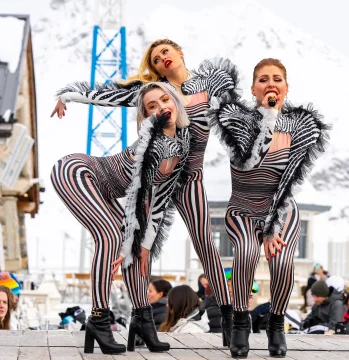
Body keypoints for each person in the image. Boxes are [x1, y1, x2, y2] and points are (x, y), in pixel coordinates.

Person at [53, 39, 235, 346]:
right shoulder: (155, 94)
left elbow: (236, 113)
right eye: (155, 58)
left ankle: (230, 317)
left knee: (204, 242)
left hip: (188, 177)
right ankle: (133, 318)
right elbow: (109, 94)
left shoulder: (206, 84)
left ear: (180, 52)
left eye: (166, 52)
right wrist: (68, 95)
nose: (161, 58)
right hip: (152, 176)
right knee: (135, 248)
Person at [52, 82, 190, 354]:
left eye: (165, 100)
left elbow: (159, 201)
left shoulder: (183, 143)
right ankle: (99, 319)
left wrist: (145, 246)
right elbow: (138, 198)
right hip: (77, 170)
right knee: (112, 237)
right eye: (152, 106)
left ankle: (143, 319)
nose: (162, 107)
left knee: (137, 253)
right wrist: (65, 96)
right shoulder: (152, 143)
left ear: (175, 102)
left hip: (104, 188)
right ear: (147, 116)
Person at [206, 57, 329, 358]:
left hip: (281, 207)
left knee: (283, 261)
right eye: (263, 79)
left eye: (276, 78)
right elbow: (248, 161)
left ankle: (276, 323)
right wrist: (269, 117)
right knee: (247, 253)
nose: (270, 83)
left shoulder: (302, 126)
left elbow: (289, 180)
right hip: (243, 208)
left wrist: (272, 226)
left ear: (286, 87)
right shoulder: (236, 118)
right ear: (253, 88)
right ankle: (240, 322)